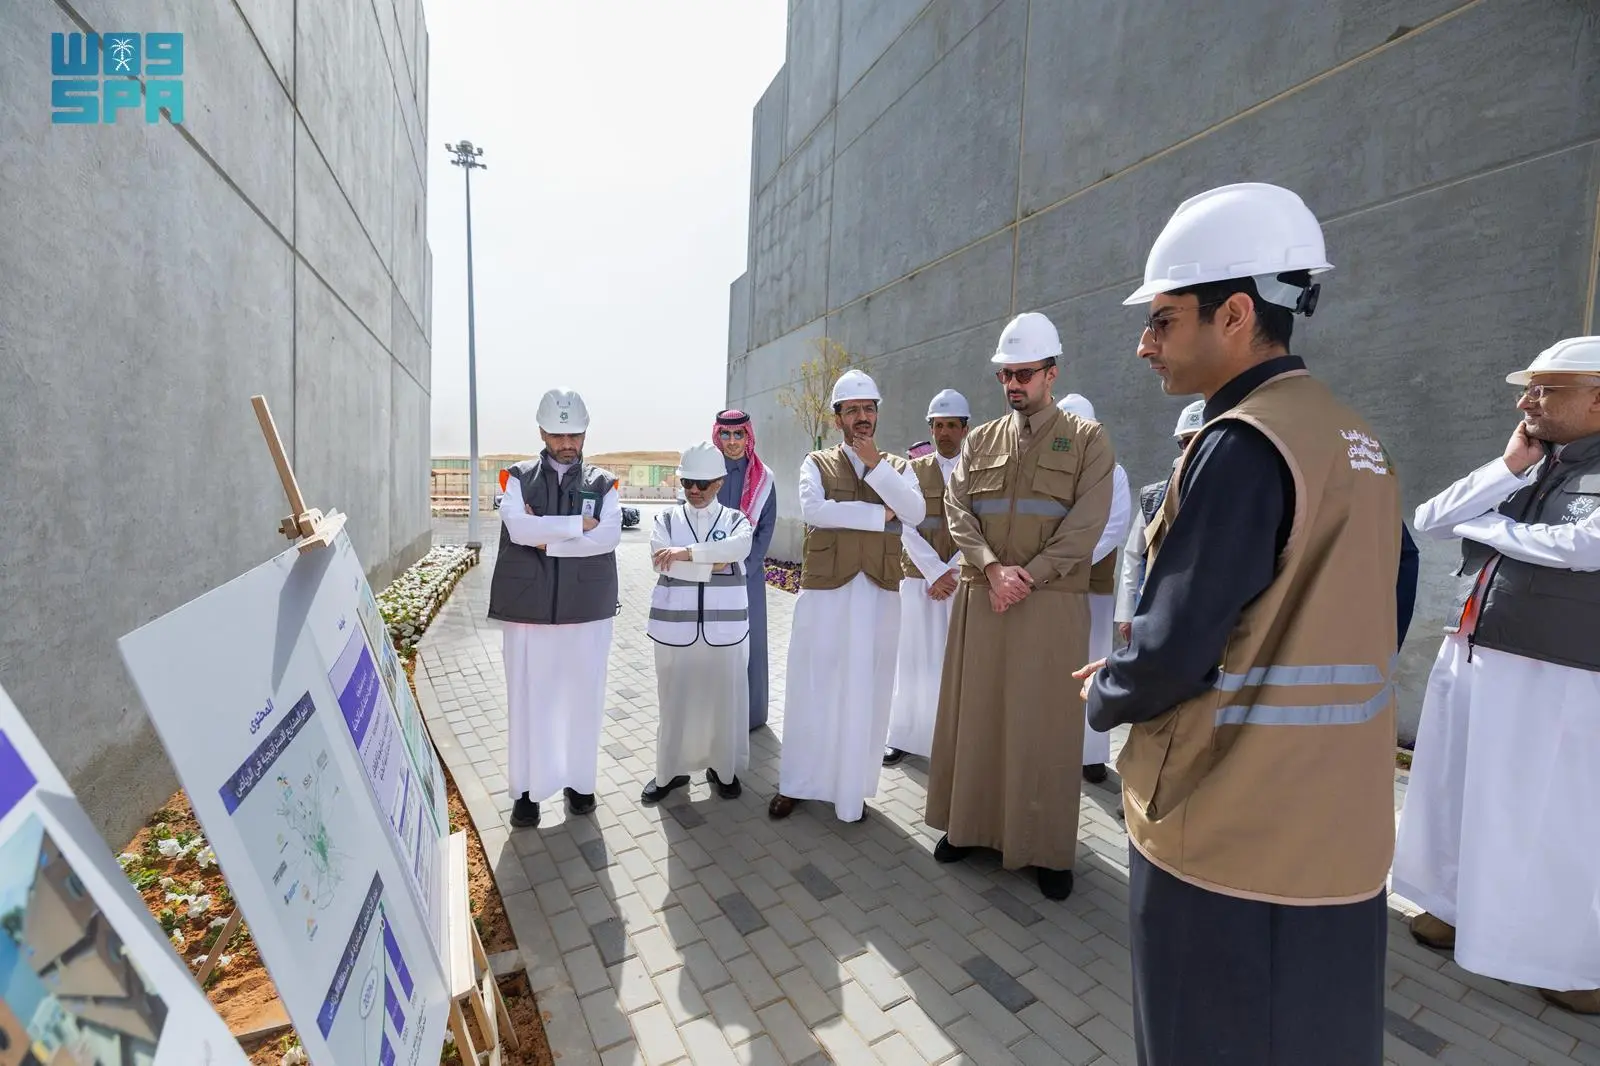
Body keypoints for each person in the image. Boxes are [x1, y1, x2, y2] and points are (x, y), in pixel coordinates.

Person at [1077, 183, 1412, 1065]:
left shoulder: (1242, 442)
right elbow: (1389, 605)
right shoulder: (1356, 441)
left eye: (1161, 320)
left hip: (1232, 837)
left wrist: (1108, 691)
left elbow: (1175, 645)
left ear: (1233, 314)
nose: (1144, 344)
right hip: (1339, 835)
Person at [1391, 336, 1600, 1016]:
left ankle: (1569, 959)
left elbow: (1584, 546)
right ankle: (1454, 908)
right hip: (1477, 650)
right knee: (1459, 791)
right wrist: (1507, 468)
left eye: (1544, 389)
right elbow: (1431, 519)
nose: (1525, 402)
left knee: (1553, 815)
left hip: (1560, 671)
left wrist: (1485, 529)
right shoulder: (1531, 461)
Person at [924, 312, 1115, 900]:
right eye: (1005, 375)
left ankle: (1045, 848)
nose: (1012, 384)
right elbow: (957, 510)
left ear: (1052, 373)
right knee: (977, 716)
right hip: (985, 600)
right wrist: (990, 568)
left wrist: (1025, 577)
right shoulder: (980, 440)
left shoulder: (1088, 441)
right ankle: (969, 828)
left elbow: (1087, 526)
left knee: (1045, 727)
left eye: (1024, 374)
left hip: (1049, 606)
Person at [770, 369, 926, 822]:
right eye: (852, 409)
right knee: (813, 685)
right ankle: (798, 783)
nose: (862, 417)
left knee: (866, 690)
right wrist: (881, 515)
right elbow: (815, 510)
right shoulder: (816, 463)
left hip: (878, 595)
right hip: (826, 595)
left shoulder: (897, 467)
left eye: (868, 409)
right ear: (837, 418)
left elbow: (915, 512)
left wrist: (876, 467)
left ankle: (850, 789)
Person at [489, 388, 622, 829]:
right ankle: (526, 792)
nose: (568, 443)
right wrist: (576, 526)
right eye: (559, 434)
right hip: (528, 610)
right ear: (542, 432)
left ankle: (579, 784)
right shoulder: (516, 477)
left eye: (575, 435)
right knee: (530, 700)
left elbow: (608, 537)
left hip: (587, 610)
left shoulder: (604, 483)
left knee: (583, 699)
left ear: (585, 433)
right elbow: (517, 527)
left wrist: (548, 539)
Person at [643, 442, 755, 804]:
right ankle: (669, 772)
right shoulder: (665, 520)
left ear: (719, 482)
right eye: (687, 482)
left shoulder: (736, 520)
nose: (694, 490)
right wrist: (714, 563)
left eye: (702, 484)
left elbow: (738, 550)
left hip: (725, 632)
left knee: (723, 702)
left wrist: (686, 554)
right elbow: (661, 562)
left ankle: (722, 770)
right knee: (674, 702)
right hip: (674, 630)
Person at [884, 389, 971, 766]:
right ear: (930, 429)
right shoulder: (911, 471)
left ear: (965, 429)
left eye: (951, 425)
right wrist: (935, 571)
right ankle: (904, 736)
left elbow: (986, 527)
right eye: (938, 425)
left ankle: (955, 739)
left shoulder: (980, 470)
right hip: (919, 579)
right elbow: (904, 525)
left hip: (963, 580)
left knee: (957, 662)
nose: (944, 432)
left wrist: (952, 570)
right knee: (912, 659)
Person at [1056, 393, 1132, 784]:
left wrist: (1068, 562)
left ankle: (1090, 754)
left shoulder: (1112, 472)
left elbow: (1115, 527)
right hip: (1050, 586)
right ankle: (1052, 746)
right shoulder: (1046, 469)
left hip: (1090, 585)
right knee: (1052, 666)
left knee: (1092, 665)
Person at [1114, 400, 1205, 643]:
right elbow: (1134, 555)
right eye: (1186, 441)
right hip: (1156, 614)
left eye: (1200, 440)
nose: (1191, 449)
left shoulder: (1232, 493)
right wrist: (1127, 614)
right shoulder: (1154, 497)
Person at [712, 409, 777, 731]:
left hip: (747, 576)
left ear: (748, 436)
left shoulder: (763, 479)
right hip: (710, 575)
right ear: (717, 436)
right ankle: (715, 714)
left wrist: (745, 567)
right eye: (726, 434)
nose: (733, 441)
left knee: (752, 643)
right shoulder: (706, 473)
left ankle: (751, 715)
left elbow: (765, 530)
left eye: (739, 434)